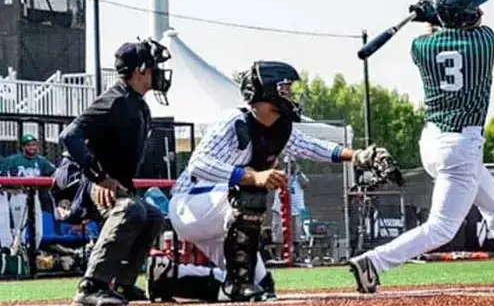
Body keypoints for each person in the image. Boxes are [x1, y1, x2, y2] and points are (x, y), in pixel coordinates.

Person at [348, 0, 494, 293]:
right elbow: (466, 28)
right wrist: (436, 14)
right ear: (465, 17)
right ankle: (374, 261)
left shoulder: (422, 48)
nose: (480, 12)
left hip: (433, 141)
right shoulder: (484, 42)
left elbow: (435, 35)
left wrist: (429, 16)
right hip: (461, 147)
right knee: (441, 228)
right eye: (474, 8)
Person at [145, 60, 401, 303]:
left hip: (221, 212)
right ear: (267, 92)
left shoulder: (279, 127)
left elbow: (312, 147)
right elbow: (198, 165)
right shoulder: (233, 121)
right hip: (190, 205)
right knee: (251, 195)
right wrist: (253, 176)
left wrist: (358, 156)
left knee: (262, 286)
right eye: (285, 89)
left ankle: (168, 278)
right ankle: (237, 282)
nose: (291, 95)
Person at [60, 38, 174, 306]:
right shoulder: (115, 100)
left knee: (152, 215)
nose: (160, 72)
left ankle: (122, 284)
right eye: (155, 66)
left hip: (99, 179)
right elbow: (69, 136)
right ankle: (91, 286)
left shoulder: (137, 103)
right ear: (141, 70)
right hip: (80, 180)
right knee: (131, 210)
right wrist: (99, 177)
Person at [3, 134, 56, 250]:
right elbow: (4, 175)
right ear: (23, 147)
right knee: (18, 229)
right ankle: (18, 254)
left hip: (35, 196)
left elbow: (54, 173)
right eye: (28, 145)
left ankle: (32, 253)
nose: (32, 147)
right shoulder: (14, 160)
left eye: (33, 145)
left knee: (38, 231)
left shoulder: (41, 161)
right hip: (19, 195)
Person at [270, 156, 309, 261]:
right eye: (287, 164)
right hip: (280, 209)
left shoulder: (299, 176)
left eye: (292, 163)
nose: (289, 166)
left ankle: (297, 256)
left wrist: (298, 173)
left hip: (296, 210)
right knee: (279, 235)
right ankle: (279, 257)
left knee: (296, 234)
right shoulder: (279, 175)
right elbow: (272, 186)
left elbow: (306, 184)